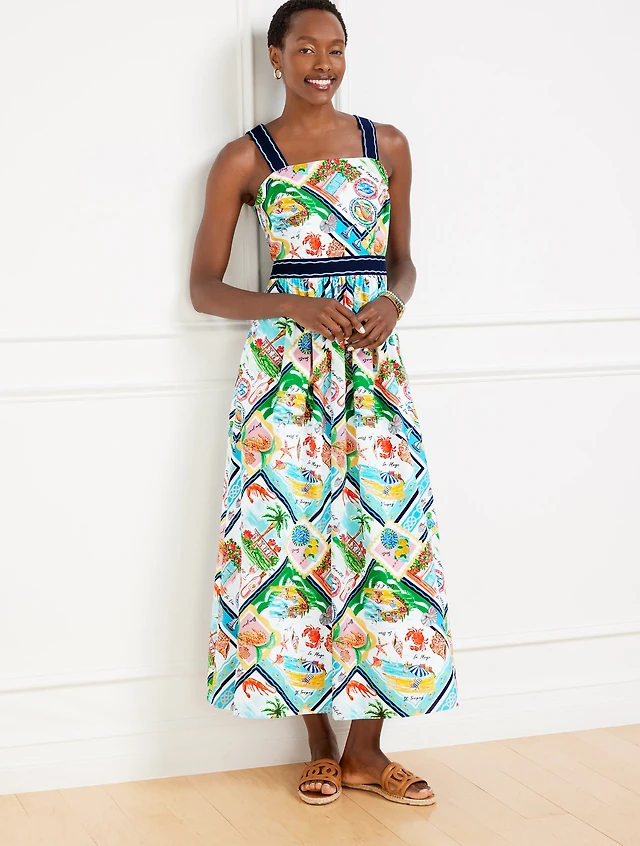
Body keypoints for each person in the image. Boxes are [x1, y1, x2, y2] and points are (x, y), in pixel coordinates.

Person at [190, 0, 459, 808]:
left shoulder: (387, 145)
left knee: (388, 546)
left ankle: (368, 753)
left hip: (373, 372)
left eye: (335, 48)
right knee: (293, 550)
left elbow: (403, 263)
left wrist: (394, 303)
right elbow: (204, 289)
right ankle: (318, 743)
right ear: (276, 57)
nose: (322, 63)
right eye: (305, 48)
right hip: (284, 376)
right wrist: (292, 305)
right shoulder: (247, 158)